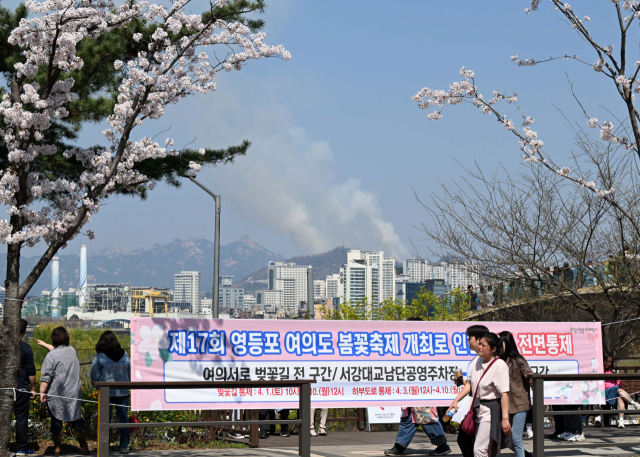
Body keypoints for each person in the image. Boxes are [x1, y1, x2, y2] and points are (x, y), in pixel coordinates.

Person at [448, 332, 511, 457]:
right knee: (485, 450)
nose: (480, 347)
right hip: (478, 409)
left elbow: (504, 394)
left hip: (491, 411)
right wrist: (455, 401)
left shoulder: (499, 365)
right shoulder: (477, 360)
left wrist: (505, 419)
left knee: (479, 450)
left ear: (493, 349)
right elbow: (470, 385)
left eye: (483, 345)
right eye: (480, 344)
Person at [39, 326, 89, 456]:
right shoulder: (72, 351)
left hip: (56, 394)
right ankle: (84, 447)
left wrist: (42, 392)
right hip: (73, 393)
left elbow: (46, 377)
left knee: (56, 420)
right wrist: (46, 345)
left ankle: (57, 448)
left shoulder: (51, 356)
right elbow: (59, 353)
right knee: (77, 419)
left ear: (53, 339)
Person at [90, 330, 131, 454]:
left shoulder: (99, 356)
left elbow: (94, 375)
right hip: (123, 391)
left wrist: (96, 384)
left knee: (104, 420)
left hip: (105, 392)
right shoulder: (125, 355)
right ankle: (124, 446)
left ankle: (104, 447)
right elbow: (129, 373)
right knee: (123, 419)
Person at [455, 324, 489, 457]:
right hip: (476, 407)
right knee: (467, 441)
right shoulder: (475, 360)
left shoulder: (485, 360)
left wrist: (456, 400)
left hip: (483, 408)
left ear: (480, 339)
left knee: (468, 442)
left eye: (470, 338)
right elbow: (472, 384)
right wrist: (463, 382)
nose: (468, 341)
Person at [499, 331, 533, 457]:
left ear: (506, 343)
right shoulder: (500, 361)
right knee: (507, 439)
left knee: (516, 437)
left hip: (520, 404)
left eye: (500, 342)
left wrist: (536, 389)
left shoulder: (518, 360)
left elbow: (530, 377)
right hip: (506, 405)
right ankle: (525, 455)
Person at [14, 318, 36, 456]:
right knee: (21, 418)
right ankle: (22, 448)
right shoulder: (26, 348)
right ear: (23, 332)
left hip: (4, 389)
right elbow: (31, 372)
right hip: (21, 387)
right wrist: (33, 388)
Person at [603, 354, 639, 428]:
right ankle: (633, 403)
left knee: (620, 397)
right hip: (605, 392)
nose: (608, 364)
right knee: (618, 389)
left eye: (610, 362)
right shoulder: (600, 370)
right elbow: (604, 384)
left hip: (615, 391)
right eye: (607, 361)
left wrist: (618, 379)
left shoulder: (611, 370)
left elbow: (619, 384)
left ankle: (621, 421)